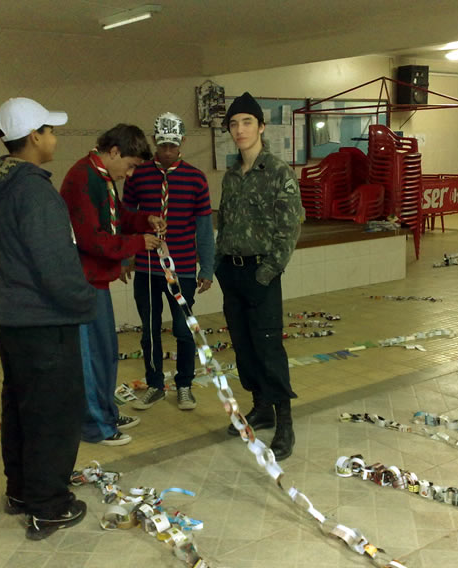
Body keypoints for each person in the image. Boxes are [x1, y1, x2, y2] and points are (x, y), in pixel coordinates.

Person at [0, 97, 96, 540]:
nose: (54, 138)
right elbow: (54, 264)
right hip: (44, 322)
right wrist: (84, 302)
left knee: (21, 409)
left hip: (12, 318)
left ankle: (21, 492)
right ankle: (49, 507)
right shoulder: (34, 190)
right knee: (54, 414)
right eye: (51, 130)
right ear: (34, 136)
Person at [60, 124, 164, 447]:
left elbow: (117, 218)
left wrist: (145, 219)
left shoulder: (102, 177)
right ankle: (94, 426)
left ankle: (106, 413)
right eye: (130, 166)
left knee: (106, 354)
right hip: (82, 282)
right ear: (115, 152)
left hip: (98, 281)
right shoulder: (82, 178)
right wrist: (137, 244)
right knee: (90, 359)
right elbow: (93, 239)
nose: (129, 175)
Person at [214, 92, 304, 461]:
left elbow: (290, 228)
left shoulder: (278, 172)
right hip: (232, 273)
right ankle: (261, 407)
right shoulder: (232, 176)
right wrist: (219, 264)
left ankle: (285, 422)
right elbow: (224, 222)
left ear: (262, 127)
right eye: (234, 124)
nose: (240, 130)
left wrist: (267, 273)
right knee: (244, 346)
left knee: (268, 348)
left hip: (262, 273)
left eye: (247, 122)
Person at [123, 112, 214, 412]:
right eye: (162, 145)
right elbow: (125, 219)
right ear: (154, 141)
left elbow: (204, 227)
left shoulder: (196, 178)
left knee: (183, 329)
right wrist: (125, 256)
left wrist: (207, 267)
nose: (167, 151)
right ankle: (155, 385)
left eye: (172, 146)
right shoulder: (138, 175)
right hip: (147, 267)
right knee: (149, 330)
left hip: (183, 268)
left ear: (182, 142)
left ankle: (184, 384)